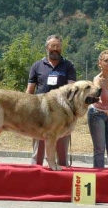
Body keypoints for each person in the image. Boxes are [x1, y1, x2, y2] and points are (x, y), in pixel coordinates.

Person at [26, 34, 77, 167]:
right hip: (40, 112)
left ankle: (63, 177)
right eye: (52, 46)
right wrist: (26, 109)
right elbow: (30, 90)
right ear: (47, 48)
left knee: (61, 152)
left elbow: (72, 90)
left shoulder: (68, 65)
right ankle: (35, 172)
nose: (55, 49)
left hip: (62, 113)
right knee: (38, 149)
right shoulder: (37, 65)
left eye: (58, 46)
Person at [88, 50, 108, 168]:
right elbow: (96, 91)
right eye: (106, 60)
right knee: (99, 149)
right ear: (100, 63)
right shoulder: (97, 79)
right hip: (97, 114)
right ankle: (99, 178)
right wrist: (97, 97)